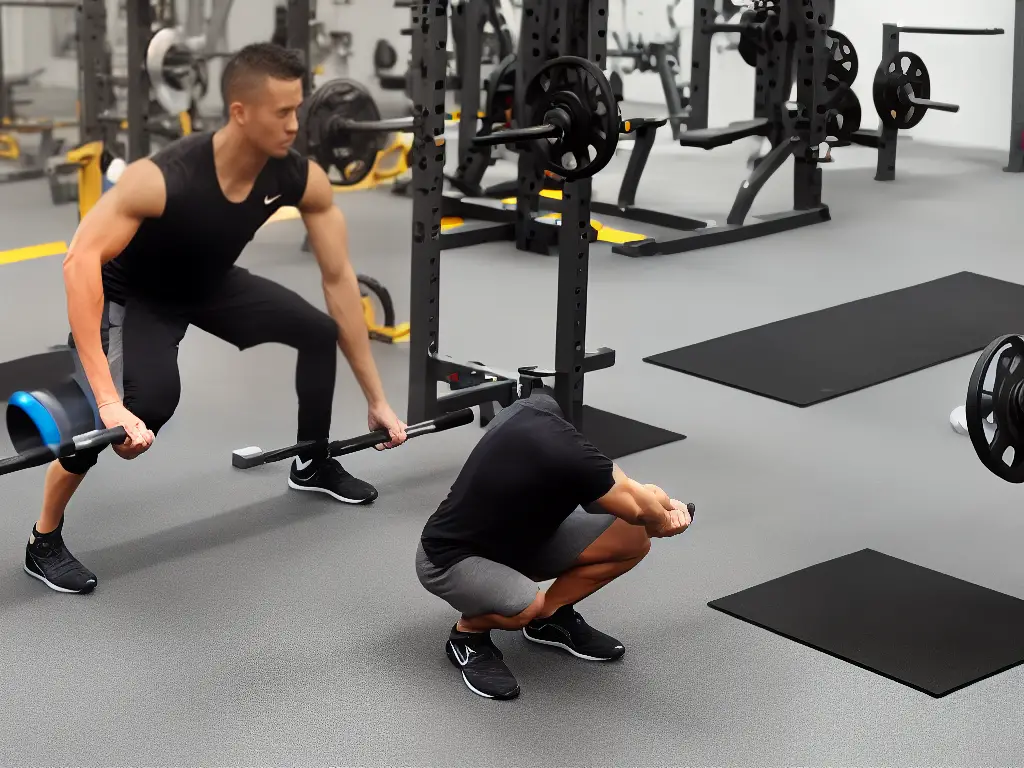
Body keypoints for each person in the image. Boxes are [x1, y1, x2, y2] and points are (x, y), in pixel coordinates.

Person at [24, 43, 409, 595]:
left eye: (298, 109)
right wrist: (110, 401)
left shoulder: (297, 176)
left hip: (207, 284)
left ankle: (312, 462)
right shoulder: (162, 178)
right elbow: (79, 260)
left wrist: (376, 398)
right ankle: (44, 539)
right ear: (240, 112)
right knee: (144, 406)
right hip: (137, 299)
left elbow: (339, 281)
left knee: (317, 332)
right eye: (282, 113)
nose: (295, 125)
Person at [416, 390, 695, 700]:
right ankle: (468, 637)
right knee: (525, 604)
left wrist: (666, 504)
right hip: (450, 558)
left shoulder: (534, 418)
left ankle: (547, 619)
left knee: (633, 538)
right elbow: (642, 509)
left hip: (523, 542)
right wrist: (666, 523)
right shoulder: (567, 458)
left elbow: (637, 494)